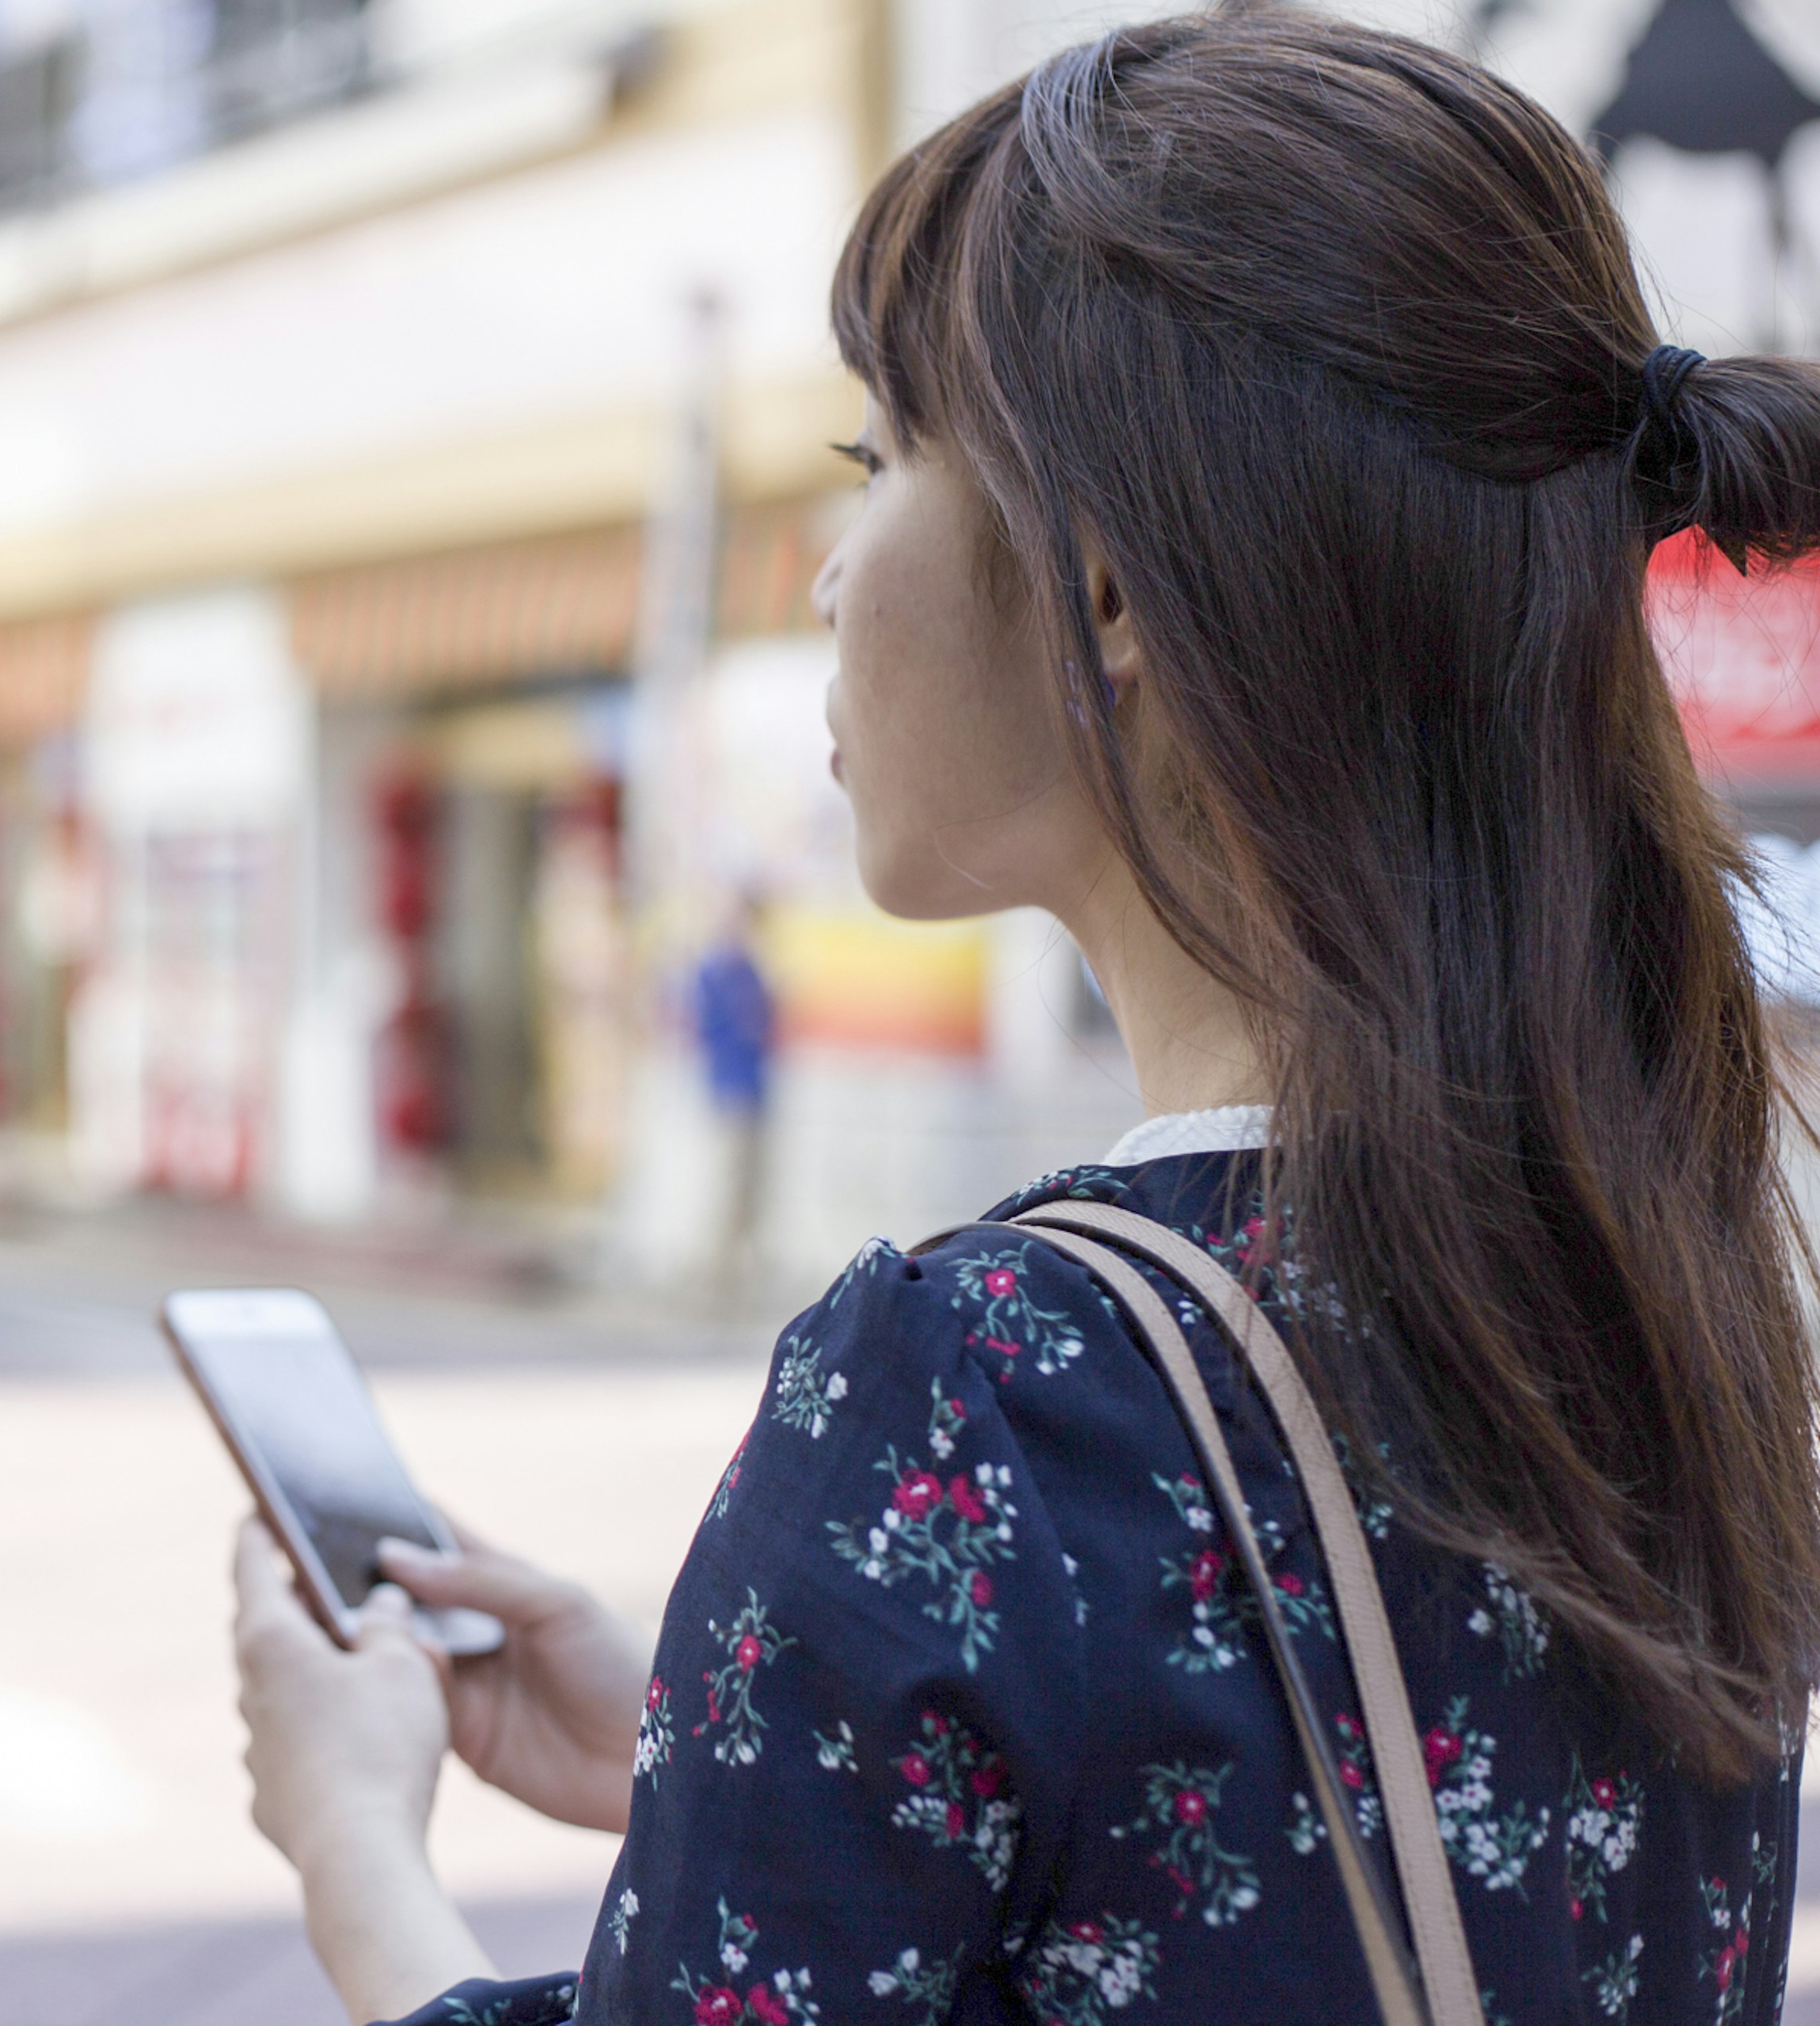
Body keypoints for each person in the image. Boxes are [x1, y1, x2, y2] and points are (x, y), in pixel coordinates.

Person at [230, 15, 1820, 2024]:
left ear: (1104, 586)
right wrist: (750, 1717)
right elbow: (1286, 1842)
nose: (823, 573)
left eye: (874, 458)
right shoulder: (1661, 1277)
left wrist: (353, 1843)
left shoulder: (973, 1386)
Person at [690, 893, 778, 1302]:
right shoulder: (715, 972)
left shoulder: (751, 971)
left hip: (755, 1087)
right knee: (729, 1184)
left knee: (753, 1187)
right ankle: (717, 1276)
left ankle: (743, 1273)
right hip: (730, 1089)